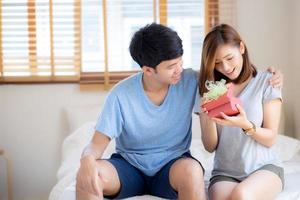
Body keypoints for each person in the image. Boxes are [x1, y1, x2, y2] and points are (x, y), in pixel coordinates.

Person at [76, 23, 283, 200]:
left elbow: (228, 73)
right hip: (129, 167)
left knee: (193, 171)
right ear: (148, 70)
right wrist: (86, 161)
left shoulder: (193, 81)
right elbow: (95, 146)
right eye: (171, 66)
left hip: (173, 166)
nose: (180, 70)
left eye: (180, 62)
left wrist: (272, 75)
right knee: (89, 175)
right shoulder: (120, 95)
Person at [198, 24, 284, 200]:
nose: (226, 67)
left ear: (242, 48)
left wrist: (246, 125)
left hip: (264, 168)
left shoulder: (267, 82)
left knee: (241, 195)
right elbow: (209, 146)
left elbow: (271, 138)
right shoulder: (211, 90)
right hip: (225, 173)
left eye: (229, 58)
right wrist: (208, 117)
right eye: (217, 63)